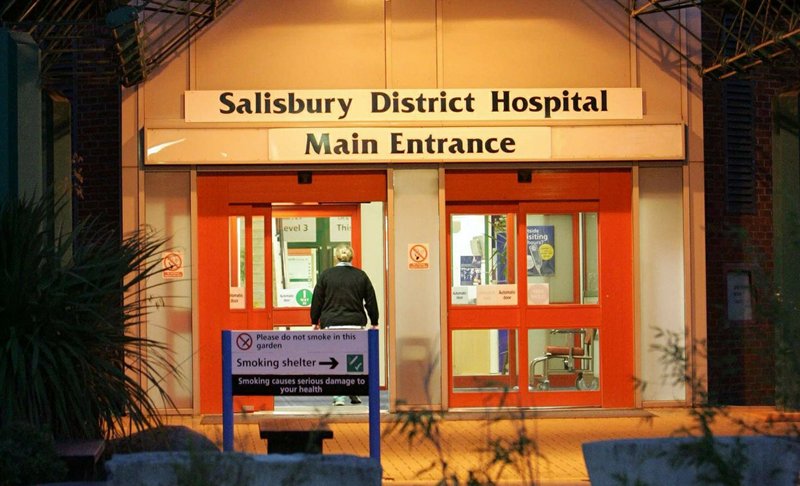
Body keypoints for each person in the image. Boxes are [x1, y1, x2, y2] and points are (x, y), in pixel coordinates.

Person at [310, 243, 379, 406]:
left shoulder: (326, 275)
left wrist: (314, 321)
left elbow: (317, 300)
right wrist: (374, 321)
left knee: (335, 359)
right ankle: (353, 392)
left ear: (336, 257)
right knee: (353, 360)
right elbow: (370, 300)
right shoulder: (361, 276)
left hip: (332, 324)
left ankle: (339, 395)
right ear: (352, 257)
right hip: (355, 325)